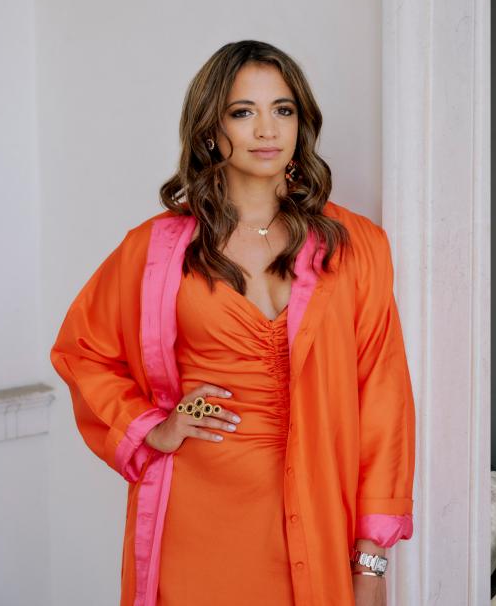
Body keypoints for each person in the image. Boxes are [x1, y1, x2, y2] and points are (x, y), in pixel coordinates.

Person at [50, 40, 414, 606]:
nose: (266, 129)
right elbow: (81, 351)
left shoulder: (357, 246)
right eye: (243, 112)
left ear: (301, 124)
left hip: (319, 512)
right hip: (198, 518)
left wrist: (371, 557)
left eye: (283, 110)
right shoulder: (156, 250)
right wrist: (154, 426)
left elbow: (384, 400)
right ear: (209, 129)